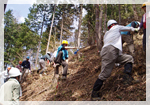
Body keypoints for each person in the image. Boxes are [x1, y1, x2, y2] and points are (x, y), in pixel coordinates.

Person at [91, 19, 140, 100]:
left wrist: (116, 61)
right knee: (105, 74)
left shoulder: (107, 33)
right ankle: (94, 93)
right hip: (110, 51)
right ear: (114, 24)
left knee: (129, 58)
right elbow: (129, 28)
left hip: (112, 52)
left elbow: (115, 44)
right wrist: (136, 29)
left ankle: (127, 79)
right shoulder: (116, 27)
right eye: (116, 24)